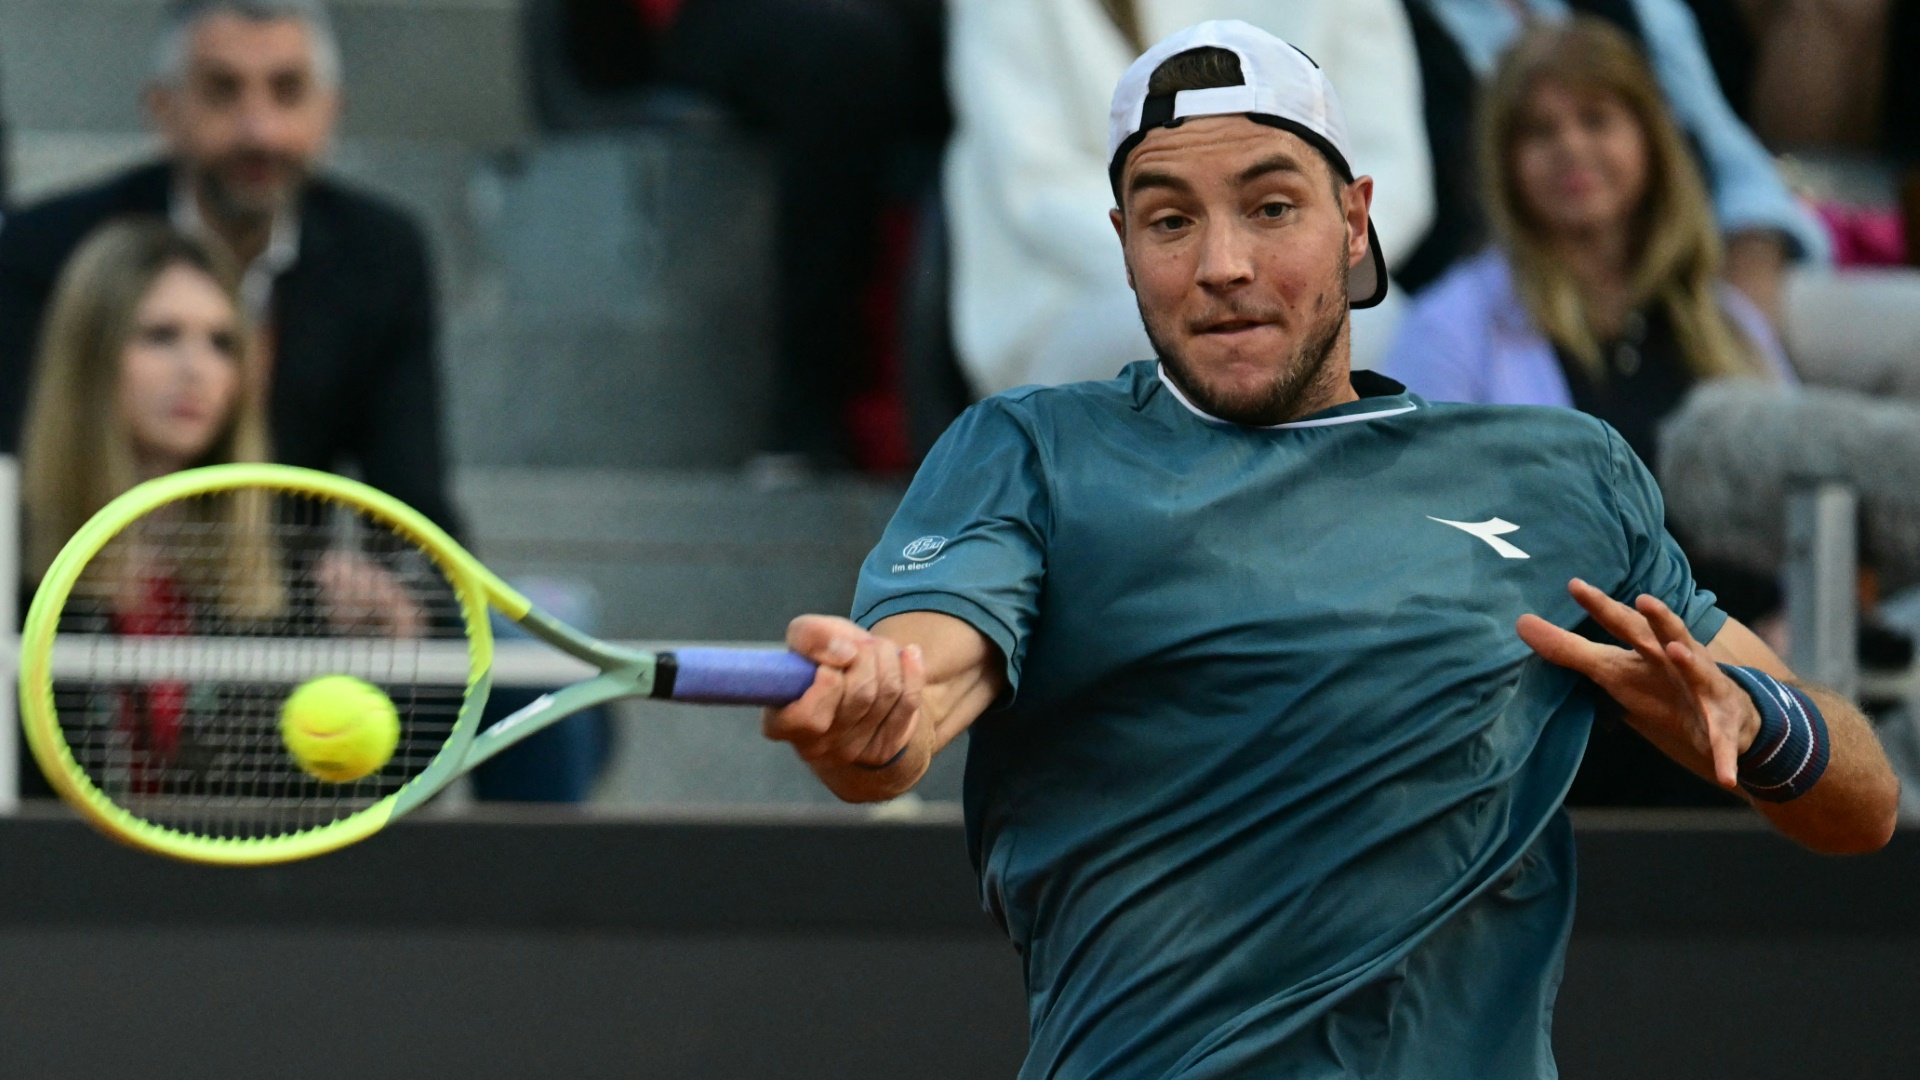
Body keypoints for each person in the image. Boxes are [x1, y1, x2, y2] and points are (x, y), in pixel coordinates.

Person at [757, 21, 1897, 1077]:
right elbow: (921, 683)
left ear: (1354, 220)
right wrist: (879, 710)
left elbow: (1863, 803)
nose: (1222, 265)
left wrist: (1763, 729)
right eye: (1168, 219)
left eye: (1269, 209)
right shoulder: (1032, 451)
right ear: (1122, 242)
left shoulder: (1560, 473)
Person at [0, 0, 460, 534]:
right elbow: (14, 466)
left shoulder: (380, 254)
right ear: (163, 109)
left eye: (287, 91)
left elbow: (414, 498)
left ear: (330, 111)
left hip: (283, 602)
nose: (258, 131)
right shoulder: (51, 246)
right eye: (223, 90)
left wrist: (395, 592)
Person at [942, 0, 1433, 395]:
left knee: (1386, 332)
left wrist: (1292, 262)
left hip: (1294, 272)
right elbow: (1034, 183)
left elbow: (1393, 170)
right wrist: (1170, 259)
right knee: (1150, 338)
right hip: (1068, 292)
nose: (1223, 266)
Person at [1398, 0, 1827, 327]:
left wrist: (1740, 305)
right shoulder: (1380, 21)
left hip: (1699, 283)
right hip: (1513, 308)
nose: (1572, 148)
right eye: (1540, 131)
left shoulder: (1643, 11)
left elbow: (1742, 172)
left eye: (1595, 120)